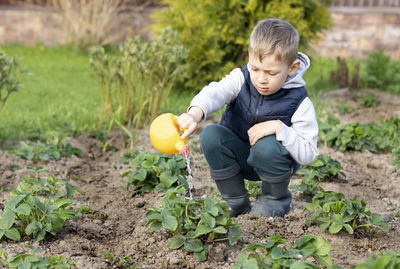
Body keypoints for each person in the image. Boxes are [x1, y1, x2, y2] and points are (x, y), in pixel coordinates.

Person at [177, 18, 319, 218]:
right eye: (255, 68)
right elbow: (216, 91)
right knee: (210, 135)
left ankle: (275, 200)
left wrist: (280, 128)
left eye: (271, 72)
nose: (261, 79)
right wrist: (195, 112)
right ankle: (235, 201)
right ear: (249, 58)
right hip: (240, 157)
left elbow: (309, 153)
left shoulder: (299, 102)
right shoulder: (241, 78)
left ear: (292, 68)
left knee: (266, 145)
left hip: (274, 162)